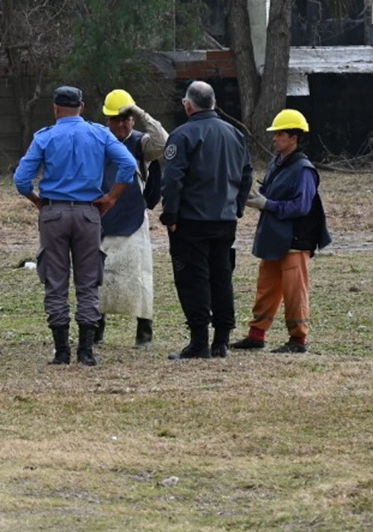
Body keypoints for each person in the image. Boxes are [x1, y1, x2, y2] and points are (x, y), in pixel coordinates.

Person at [12, 85, 139, 366]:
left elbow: (21, 180)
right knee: (88, 281)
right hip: (88, 214)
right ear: (82, 108)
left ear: (56, 109)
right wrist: (112, 197)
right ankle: (86, 351)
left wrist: (38, 201)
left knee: (55, 282)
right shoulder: (99, 133)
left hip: (53, 214)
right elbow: (128, 164)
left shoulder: (44, 137)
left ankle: (61, 351)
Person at [159, 80, 253, 360]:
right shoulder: (235, 134)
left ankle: (199, 341)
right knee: (221, 278)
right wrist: (236, 208)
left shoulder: (182, 135)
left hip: (191, 220)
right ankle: (221, 341)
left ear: (188, 105)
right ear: (213, 103)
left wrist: (170, 215)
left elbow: (173, 179)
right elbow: (246, 174)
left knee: (193, 279)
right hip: (224, 220)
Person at [231, 109, 331, 354]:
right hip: (275, 239)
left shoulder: (304, 169)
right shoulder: (278, 162)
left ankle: (298, 341)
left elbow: (301, 206)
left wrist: (267, 204)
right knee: (266, 288)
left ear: (293, 138)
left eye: (279, 134)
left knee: (294, 292)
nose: (274, 138)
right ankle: (256, 336)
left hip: (295, 241)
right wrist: (259, 196)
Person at [94, 88, 169, 349]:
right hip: (101, 217)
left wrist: (139, 110)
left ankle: (144, 332)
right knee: (99, 277)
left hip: (134, 218)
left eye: (126, 118)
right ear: (107, 121)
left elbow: (163, 143)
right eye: (116, 119)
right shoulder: (97, 142)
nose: (121, 124)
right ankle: (96, 329)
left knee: (140, 275)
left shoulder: (140, 143)